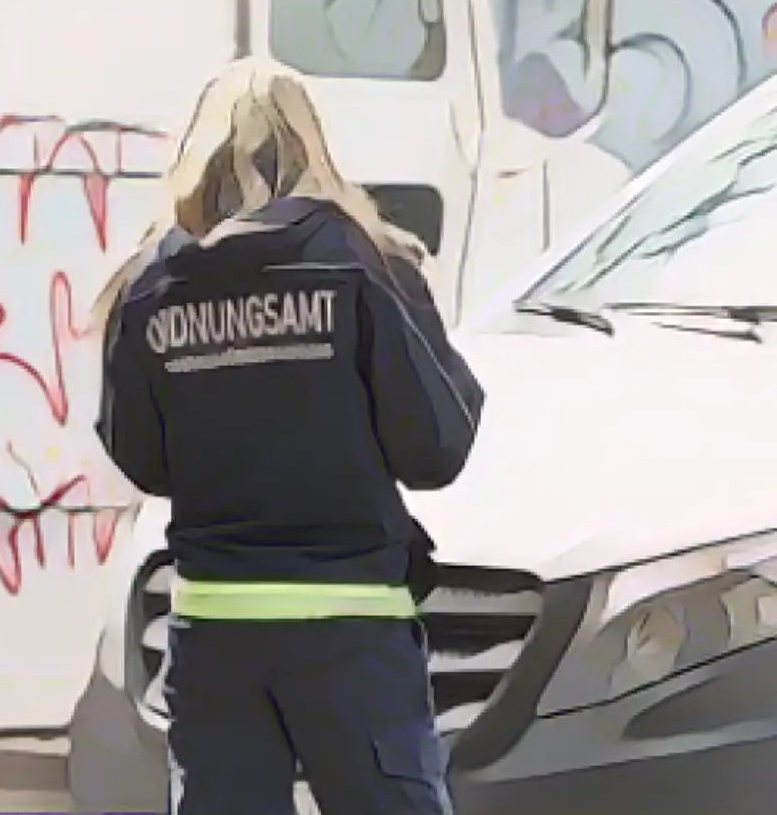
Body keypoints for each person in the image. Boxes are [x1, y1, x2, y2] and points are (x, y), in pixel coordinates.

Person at [93, 58, 484, 815]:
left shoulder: (150, 285)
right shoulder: (365, 263)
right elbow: (437, 447)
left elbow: (141, 458)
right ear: (313, 148)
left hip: (215, 628)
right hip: (352, 629)